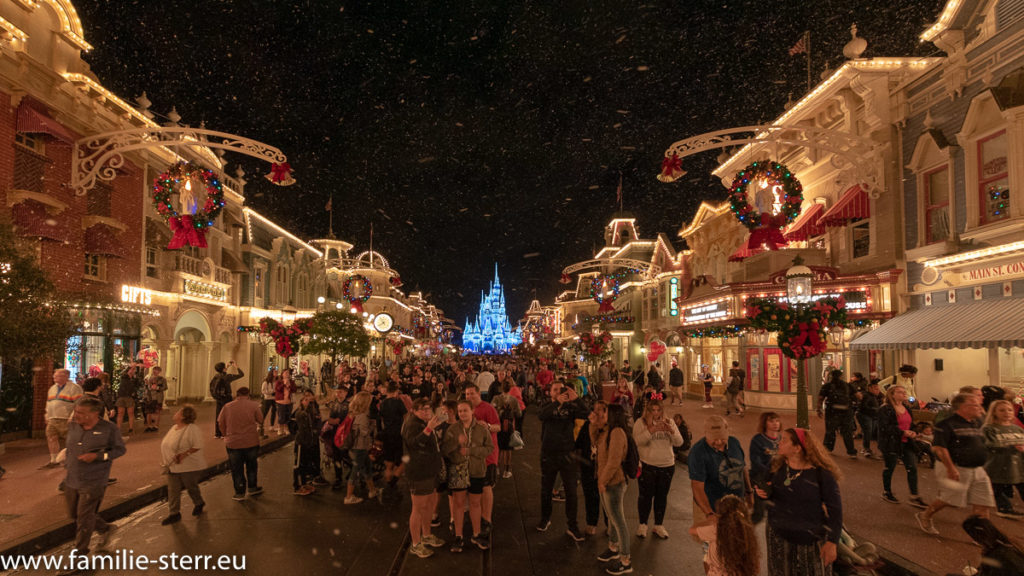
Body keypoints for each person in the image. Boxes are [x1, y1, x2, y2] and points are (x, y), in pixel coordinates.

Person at [754, 428, 842, 576]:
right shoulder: (776, 466)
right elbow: (767, 492)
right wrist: (761, 493)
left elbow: (836, 510)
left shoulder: (821, 474)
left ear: (797, 448)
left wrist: (832, 542)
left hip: (809, 539)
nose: (779, 442)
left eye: (784, 440)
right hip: (778, 536)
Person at [915, 392, 994, 535]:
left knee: (983, 502)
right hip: (956, 467)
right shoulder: (946, 424)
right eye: (974, 405)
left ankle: (982, 535)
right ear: (962, 407)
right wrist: (951, 468)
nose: (979, 408)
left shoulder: (977, 422)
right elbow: (940, 448)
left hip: (978, 469)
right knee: (949, 499)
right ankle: (925, 515)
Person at [64, 397, 125, 558]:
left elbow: (119, 450)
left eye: (81, 413)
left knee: (83, 519)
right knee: (74, 515)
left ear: (95, 413)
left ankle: (80, 555)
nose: (76, 415)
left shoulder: (109, 429)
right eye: (76, 412)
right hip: (72, 479)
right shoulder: (73, 426)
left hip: (94, 480)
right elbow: (70, 448)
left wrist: (98, 456)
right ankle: (105, 528)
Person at [536, 380, 589, 540]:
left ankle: (572, 525)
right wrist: (556, 403)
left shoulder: (571, 408)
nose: (559, 392)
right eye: (555, 390)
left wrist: (576, 399)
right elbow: (541, 415)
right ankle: (545, 519)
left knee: (571, 492)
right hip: (548, 453)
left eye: (562, 390)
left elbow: (587, 414)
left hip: (567, 453)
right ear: (550, 392)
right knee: (546, 489)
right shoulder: (546, 405)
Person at [443, 398, 493, 552]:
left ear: (472, 411)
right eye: (460, 411)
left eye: (465, 410)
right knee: (458, 504)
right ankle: (458, 536)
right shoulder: (452, 430)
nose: (462, 413)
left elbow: (489, 448)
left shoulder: (482, 429)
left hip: (476, 471)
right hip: (458, 472)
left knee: (475, 503)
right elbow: (445, 450)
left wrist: (471, 451)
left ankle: (476, 534)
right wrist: (457, 444)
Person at [592, 402, 633, 575]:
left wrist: (603, 480)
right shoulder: (608, 430)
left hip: (613, 482)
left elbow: (614, 461)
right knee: (612, 518)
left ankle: (625, 560)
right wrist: (594, 424)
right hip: (607, 480)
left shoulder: (617, 433)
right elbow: (594, 440)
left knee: (618, 521)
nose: (603, 415)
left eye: (605, 412)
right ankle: (613, 548)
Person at [403, 398, 447, 558]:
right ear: (414, 411)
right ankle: (415, 544)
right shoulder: (412, 424)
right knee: (418, 508)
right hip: (419, 472)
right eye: (423, 409)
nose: (427, 412)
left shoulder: (424, 422)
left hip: (429, 470)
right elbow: (413, 443)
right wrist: (429, 428)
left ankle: (426, 535)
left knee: (428, 505)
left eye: (428, 409)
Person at [633, 398, 683, 539]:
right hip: (648, 464)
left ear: (662, 410)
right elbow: (636, 441)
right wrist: (651, 430)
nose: (656, 413)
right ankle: (642, 524)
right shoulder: (640, 423)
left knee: (662, 496)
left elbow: (679, 442)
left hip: (667, 465)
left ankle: (658, 525)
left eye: (658, 410)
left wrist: (671, 431)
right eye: (652, 410)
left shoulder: (670, 422)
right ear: (648, 411)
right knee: (645, 496)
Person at [688, 416, 751, 524]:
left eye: (722, 438)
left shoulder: (735, 443)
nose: (718, 442)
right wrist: (710, 514)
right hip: (712, 509)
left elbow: (742, 469)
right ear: (706, 434)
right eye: (714, 438)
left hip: (737, 507)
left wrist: (749, 492)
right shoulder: (697, 452)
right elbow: (697, 487)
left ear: (727, 432)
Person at [877, 385, 926, 508]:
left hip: (906, 442)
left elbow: (910, 424)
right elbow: (885, 427)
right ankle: (887, 491)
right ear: (892, 394)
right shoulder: (885, 409)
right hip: (891, 443)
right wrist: (902, 432)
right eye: (900, 392)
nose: (904, 394)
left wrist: (914, 432)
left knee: (912, 467)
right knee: (890, 467)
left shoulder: (907, 408)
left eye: (904, 392)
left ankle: (914, 495)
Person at [688, 494, 760, 576]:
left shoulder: (716, 530)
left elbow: (692, 530)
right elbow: (755, 565)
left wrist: (710, 519)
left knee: (706, 544)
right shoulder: (746, 531)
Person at [159, 404, 205, 524]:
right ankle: (174, 513)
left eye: (179, 412)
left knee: (191, 487)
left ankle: (198, 502)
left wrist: (185, 454)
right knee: (173, 490)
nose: (176, 413)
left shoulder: (192, 429)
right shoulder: (174, 427)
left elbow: (197, 445)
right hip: (173, 465)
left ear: (184, 416)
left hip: (187, 465)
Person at [464, 384, 500, 538]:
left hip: (487, 456)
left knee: (486, 487)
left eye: (472, 393)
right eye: (466, 394)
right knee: (472, 487)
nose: (469, 396)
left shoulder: (488, 408)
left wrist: (488, 426)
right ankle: (474, 516)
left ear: (479, 393)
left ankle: (486, 519)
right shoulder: (466, 410)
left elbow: (498, 427)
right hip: (471, 456)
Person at [217, 387, 264, 501]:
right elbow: (261, 420)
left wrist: (225, 435)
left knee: (236, 468)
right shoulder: (254, 405)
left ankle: (239, 492)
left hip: (233, 442)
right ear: (248, 394)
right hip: (251, 441)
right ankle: (252, 488)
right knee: (251, 466)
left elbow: (220, 422)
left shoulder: (227, 406)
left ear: (236, 395)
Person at [982, 399, 1024, 519]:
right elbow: (989, 445)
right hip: (998, 466)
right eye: (1002, 410)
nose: (1007, 413)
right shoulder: (989, 429)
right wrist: (1010, 447)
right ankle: (1004, 509)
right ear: (994, 412)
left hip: (1018, 466)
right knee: (998, 489)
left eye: (1010, 410)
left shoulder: (1018, 429)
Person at [345, 391, 378, 504]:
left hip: (355, 445)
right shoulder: (363, 415)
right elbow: (364, 432)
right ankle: (349, 496)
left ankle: (372, 490)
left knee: (367, 467)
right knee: (355, 470)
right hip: (360, 446)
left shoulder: (352, 412)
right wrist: (372, 425)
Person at [45, 369, 82, 468]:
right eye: (54, 375)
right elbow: (49, 402)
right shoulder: (52, 388)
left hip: (66, 418)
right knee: (51, 437)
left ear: (66, 376)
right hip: (53, 417)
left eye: (57, 376)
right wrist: (47, 414)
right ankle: (54, 459)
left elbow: (78, 404)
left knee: (70, 439)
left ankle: (71, 459)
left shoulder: (74, 388)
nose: (54, 377)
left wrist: (72, 416)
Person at [817, 369, 857, 459]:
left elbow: (820, 398)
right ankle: (851, 452)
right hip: (846, 412)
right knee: (847, 432)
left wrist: (819, 409)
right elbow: (858, 396)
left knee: (830, 431)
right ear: (841, 376)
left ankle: (828, 449)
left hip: (832, 411)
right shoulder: (847, 385)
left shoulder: (827, 386)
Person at [748, 412, 781, 524]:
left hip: (778, 478)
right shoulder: (758, 440)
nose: (775, 424)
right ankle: (745, 533)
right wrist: (770, 473)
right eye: (771, 421)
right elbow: (756, 462)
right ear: (764, 423)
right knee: (758, 514)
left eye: (777, 420)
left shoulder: (782, 439)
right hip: (761, 477)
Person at [379, 382, 408, 488]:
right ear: (396, 392)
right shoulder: (398, 402)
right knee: (404, 459)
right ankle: (394, 479)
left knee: (389, 462)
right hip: (398, 433)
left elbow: (381, 418)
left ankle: (388, 481)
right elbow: (406, 416)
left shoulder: (383, 403)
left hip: (387, 433)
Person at [492, 380, 523, 479]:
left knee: (499, 448)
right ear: (510, 388)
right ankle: (506, 471)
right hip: (509, 427)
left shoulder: (496, 398)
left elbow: (492, 411)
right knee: (508, 449)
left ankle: (496, 467)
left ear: (501, 388)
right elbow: (519, 414)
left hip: (498, 425)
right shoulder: (514, 400)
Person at [292, 390, 321, 495]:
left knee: (304, 464)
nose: (307, 401)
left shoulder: (309, 412)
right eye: (305, 399)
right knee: (298, 464)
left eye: (308, 399)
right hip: (301, 442)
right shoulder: (300, 413)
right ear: (301, 401)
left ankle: (304, 483)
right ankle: (297, 486)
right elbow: (303, 428)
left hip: (307, 442)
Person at [210, 361, 245, 439]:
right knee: (227, 415)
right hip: (227, 398)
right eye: (225, 367)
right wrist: (236, 366)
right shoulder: (227, 377)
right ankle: (224, 433)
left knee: (218, 415)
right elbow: (241, 374)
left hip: (219, 398)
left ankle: (217, 433)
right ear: (223, 369)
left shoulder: (216, 376)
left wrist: (226, 367)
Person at [855, 379, 883, 458]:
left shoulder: (877, 396)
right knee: (868, 431)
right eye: (875, 389)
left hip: (873, 416)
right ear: (869, 388)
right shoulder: (866, 395)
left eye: (878, 389)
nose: (877, 391)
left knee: (872, 432)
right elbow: (863, 407)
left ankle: (868, 448)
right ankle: (866, 448)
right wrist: (875, 409)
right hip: (865, 415)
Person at [116, 362, 143, 435]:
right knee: (120, 413)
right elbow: (123, 373)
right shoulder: (124, 377)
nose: (132, 371)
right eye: (131, 369)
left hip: (129, 397)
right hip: (121, 396)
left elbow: (139, 385)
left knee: (130, 413)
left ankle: (131, 428)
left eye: (133, 369)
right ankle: (118, 429)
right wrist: (131, 366)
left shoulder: (135, 379)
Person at [143, 366, 168, 432]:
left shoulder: (162, 379)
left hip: (158, 397)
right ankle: (149, 426)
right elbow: (145, 388)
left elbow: (165, 387)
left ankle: (156, 426)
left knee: (157, 412)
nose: (155, 372)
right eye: (154, 370)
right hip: (149, 397)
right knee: (148, 412)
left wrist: (157, 388)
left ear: (159, 372)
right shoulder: (148, 378)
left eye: (157, 370)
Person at [259, 369, 278, 439]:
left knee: (274, 411)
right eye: (275, 372)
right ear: (271, 373)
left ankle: (272, 426)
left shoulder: (276, 381)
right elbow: (263, 391)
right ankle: (260, 426)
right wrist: (271, 392)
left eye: (277, 372)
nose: (276, 373)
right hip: (267, 399)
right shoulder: (266, 382)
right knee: (264, 412)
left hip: (274, 398)